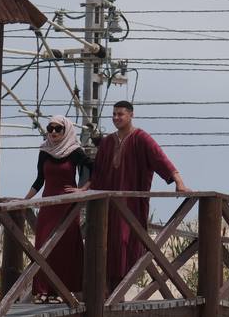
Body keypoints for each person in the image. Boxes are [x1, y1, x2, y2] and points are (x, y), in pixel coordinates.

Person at [79, 101, 187, 286]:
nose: (116, 118)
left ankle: (120, 291)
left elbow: (160, 158)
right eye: (113, 114)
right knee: (105, 244)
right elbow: (98, 172)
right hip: (108, 205)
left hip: (131, 206)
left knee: (125, 243)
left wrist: (178, 180)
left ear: (131, 115)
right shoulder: (108, 142)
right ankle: (107, 292)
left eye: (120, 114)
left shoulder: (141, 138)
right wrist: (84, 190)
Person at [23, 115, 91, 300]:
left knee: (65, 246)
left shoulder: (74, 151)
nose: (53, 132)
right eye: (50, 128)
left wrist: (83, 189)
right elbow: (39, 180)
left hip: (67, 206)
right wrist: (23, 200)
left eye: (58, 129)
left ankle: (65, 291)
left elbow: (94, 167)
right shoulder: (44, 151)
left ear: (66, 130)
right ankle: (44, 291)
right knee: (43, 245)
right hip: (48, 205)